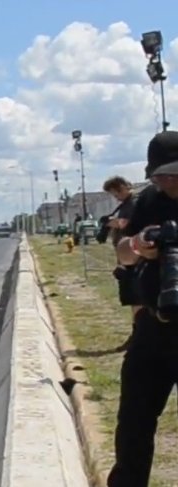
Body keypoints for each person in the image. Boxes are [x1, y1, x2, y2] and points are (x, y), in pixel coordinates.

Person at [108, 130, 178, 486]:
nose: (164, 181)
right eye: (158, 174)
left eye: (172, 173)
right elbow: (122, 252)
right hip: (154, 329)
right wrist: (137, 245)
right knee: (133, 423)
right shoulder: (149, 200)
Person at [102, 176, 139, 349]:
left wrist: (109, 223)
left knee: (137, 299)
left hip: (135, 259)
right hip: (128, 258)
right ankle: (138, 334)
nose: (115, 196)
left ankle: (139, 335)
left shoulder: (134, 202)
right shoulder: (125, 204)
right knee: (133, 300)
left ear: (123, 187)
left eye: (116, 192)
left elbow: (124, 223)